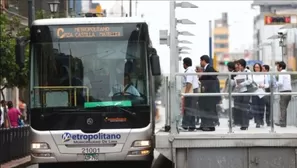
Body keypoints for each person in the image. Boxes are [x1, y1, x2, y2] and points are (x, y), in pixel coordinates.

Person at [198, 55, 220, 131]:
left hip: (210, 94)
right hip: (206, 94)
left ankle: (211, 126)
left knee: (209, 109)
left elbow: (213, 76)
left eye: (201, 61)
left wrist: (203, 78)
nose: (200, 62)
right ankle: (204, 125)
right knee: (205, 109)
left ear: (204, 61)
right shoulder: (205, 69)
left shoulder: (209, 68)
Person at [181, 57, 199, 131]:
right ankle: (192, 126)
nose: (183, 65)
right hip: (193, 91)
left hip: (191, 91)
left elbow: (189, 83)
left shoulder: (189, 71)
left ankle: (185, 125)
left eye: (183, 63)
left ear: (185, 64)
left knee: (188, 108)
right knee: (191, 108)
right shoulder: (190, 70)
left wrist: (185, 94)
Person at [233, 59, 252, 130]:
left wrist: (242, 84)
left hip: (246, 91)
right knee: (240, 108)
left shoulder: (247, 71)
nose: (238, 66)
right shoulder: (238, 72)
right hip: (239, 92)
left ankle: (245, 124)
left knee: (244, 108)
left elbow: (250, 81)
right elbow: (236, 81)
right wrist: (236, 84)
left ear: (242, 65)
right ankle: (241, 123)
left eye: (239, 65)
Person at [275, 61, 292, 127]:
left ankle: (282, 123)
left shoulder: (281, 73)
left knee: (282, 108)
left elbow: (280, 83)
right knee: (284, 108)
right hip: (289, 91)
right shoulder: (287, 73)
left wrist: (275, 83)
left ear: (280, 67)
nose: (277, 68)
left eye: (277, 66)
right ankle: (283, 123)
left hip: (284, 92)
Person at [250, 63, 266, 128]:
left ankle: (261, 119)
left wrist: (263, 86)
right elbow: (250, 83)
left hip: (262, 93)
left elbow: (267, 84)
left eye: (258, 67)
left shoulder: (264, 75)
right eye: (255, 67)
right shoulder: (252, 75)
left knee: (261, 108)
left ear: (260, 68)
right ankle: (257, 122)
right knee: (255, 108)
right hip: (255, 93)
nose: (256, 68)